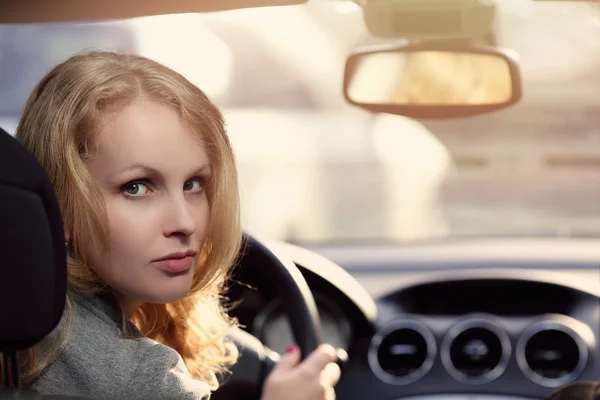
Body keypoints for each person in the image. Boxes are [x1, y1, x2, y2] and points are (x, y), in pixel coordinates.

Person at [13, 50, 341, 400]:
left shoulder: (23, 328)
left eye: (194, 184)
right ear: (59, 205)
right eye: (136, 187)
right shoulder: (140, 380)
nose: (185, 223)